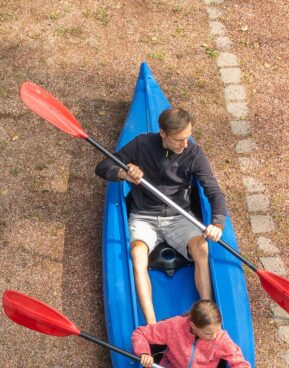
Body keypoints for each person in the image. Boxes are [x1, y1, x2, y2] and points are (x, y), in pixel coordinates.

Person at [96, 107, 228, 324]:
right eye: (179, 140)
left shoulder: (194, 153)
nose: (185, 144)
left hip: (179, 216)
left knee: (202, 247)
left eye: (188, 137)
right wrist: (123, 173)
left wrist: (218, 224)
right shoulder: (141, 144)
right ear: (163, 134)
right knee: (137, 254)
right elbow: (103, 167)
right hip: (144, 216)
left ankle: (205, 315)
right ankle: (151, 324)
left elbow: (213, 192)